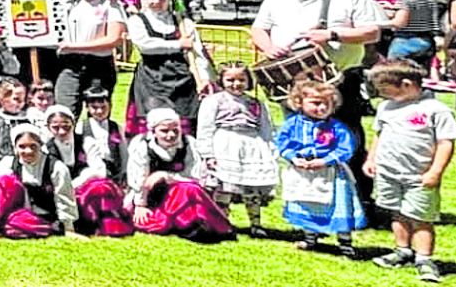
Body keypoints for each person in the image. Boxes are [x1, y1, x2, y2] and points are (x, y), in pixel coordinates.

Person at [249, 0, 385, 202]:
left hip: (340, 80)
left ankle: (359, 199)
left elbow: (373, 32)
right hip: (294, 83)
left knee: (346, 136)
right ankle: (307, 201)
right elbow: (259, 28)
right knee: (300, 139)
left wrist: (333, 35)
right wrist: (268, 47)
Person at [364, 59, 456, 283]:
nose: (382, 95)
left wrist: (435, 172)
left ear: (406, 84)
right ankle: (402, 250)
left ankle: (425, 259)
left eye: (386, 90)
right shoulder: (386, 107)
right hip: (389, 173)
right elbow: (380, 134)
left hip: (419, 176)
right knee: (396, 212)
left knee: (420, 217)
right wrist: (372, 159)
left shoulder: (435, 109)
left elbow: (446, 143)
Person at [275, 80, 364, 258]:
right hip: (302, 171)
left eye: (327, 104)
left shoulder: (336, 127)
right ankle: (310, 237)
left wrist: (326, 160)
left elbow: (346, 148)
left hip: (331, 172)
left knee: (339, 205)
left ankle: (345, 242)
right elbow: (283, 144)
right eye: (316, 103)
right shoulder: (292, 124)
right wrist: (294, 158)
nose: (322, 108)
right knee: (307, 203)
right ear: (300, 103)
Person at [126, 108, 233, 242]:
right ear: (153, 131)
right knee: (149, 222)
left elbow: (194, 178)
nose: (170, 135)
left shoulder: (189, 144)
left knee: (189, 188)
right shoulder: (143, 147)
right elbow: (138, 180)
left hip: (181, 194)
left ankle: (197, 223)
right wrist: (140, 205)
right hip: (151, 196)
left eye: (175, 130)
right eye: (164, 131)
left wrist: (166, 176)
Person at [194, 63, 276, 237]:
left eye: (241, 79)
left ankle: (256, 224)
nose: (236, 84)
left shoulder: (256, 104)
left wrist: (269, 149)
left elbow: (266, 129)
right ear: (222, 80)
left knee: (251, 188)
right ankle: (222, 221)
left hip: (251, 146)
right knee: (224, 188)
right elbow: (205, 128)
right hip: (225, 145)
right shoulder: (214, 101)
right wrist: (208, 153)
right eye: (230, 80)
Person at [0, 123, 76, 239]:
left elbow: (64, 197)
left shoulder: (56, 167)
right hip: (15, 209)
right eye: (22, 146)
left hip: (40, 216)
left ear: (40, 145)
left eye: (33, 146)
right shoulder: (8, 163)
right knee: (6, 182)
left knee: (15, 225)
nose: (28, 151)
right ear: (15, 147)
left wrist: (68, 228)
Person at [41, 105, 133, 237]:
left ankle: (110, 226)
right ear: (48, 127)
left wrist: (78, 181)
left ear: (73, 124)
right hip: (60, 195)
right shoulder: (46, 149)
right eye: (55, 127)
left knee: (101, 186)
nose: (61, 131)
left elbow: (100, 171)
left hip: (84, 189)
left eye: (66, 126)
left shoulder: (86, 142)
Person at [126, 0, 204, 127]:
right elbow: (145, 45)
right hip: (151, 78)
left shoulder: (183, 23)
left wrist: (203, 78)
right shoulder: (137, 20)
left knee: (183, 122)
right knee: (153, 123)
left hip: (182, 81)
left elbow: (197, 52)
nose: (156, 2)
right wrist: (178, 44)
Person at [55, 0, 125, 116]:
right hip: (70, 67)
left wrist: (74, 47)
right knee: (64, 115)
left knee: (98, 116)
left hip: (99, 67)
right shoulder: (66, 4)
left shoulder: (109, 3)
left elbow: (114, 39)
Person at [384, 0, 443, 72]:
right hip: (427, 41)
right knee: (421, 77)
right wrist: (394, 8)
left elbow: (399, 23)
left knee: (396, 75)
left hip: (405, 41)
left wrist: (379, 22)